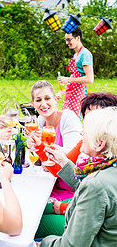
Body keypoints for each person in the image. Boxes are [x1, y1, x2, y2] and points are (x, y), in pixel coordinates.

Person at [34, 92, 117, 239]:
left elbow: (93, 203)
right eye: (86, 117)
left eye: (94, 120)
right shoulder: (96, 152)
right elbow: (64, 171)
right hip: (79, 202)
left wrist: (66, 208)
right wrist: (41, 147)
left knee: (33, 222)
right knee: (35, 209)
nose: (83, 128)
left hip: (85, 214)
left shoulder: (102, 176)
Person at [28, 80, 82, 202]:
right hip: (52, 183)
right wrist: (32, 145)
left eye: (47, 98)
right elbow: (42, 160)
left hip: (71, 186)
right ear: (33, 104)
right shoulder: (41, 121)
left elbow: (71, 156)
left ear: (56, 99)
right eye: (38, 100)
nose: (43, 104)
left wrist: (43, 144)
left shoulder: (68, 118)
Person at [57, 27, 94, 116]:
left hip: (78, 95)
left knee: (73, 121)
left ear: (77, 38)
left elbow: (89, 79)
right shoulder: (76, 54)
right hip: (70, 93)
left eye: (69, 40)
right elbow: (74, 76)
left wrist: (68, 80)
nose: (67, 43)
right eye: (66, 40)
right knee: (65, 119)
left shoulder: (85, 54)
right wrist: (61, 93)